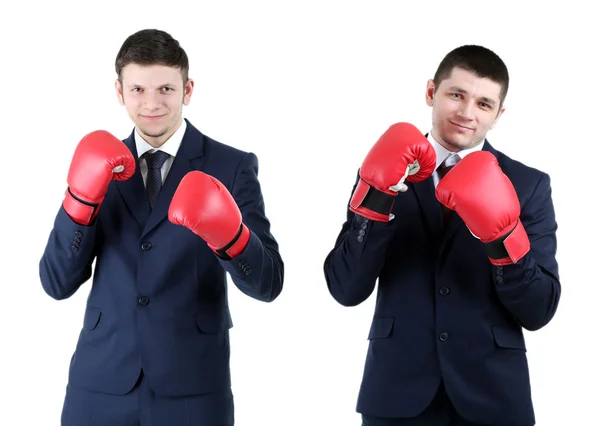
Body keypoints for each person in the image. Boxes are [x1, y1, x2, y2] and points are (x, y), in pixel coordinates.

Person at [39, 28, 284, 426]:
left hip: (193, 388)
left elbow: (269, 283)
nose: (152, 104)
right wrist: (80, 203)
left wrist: (232, 238)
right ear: (119, 92)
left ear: (188, 89)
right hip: (99, 384)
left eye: (166, 89)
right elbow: (56, 282)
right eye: (137, 89)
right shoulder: (99, 163)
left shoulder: (232, 165)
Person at [323, 45, 560, 426]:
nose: (467, 113)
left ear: (498, 115)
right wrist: (376, 200)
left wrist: (504, 240)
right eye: (456, 95)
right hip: (396, 394)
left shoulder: (528, 184)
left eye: (484, 104)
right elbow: (345, 288)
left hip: (494, 395)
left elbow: (539, 309)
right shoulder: (385, 169)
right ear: (431, 92)